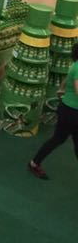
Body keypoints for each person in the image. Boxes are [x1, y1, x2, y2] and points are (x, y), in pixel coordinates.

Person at [28, 41, 78, 179]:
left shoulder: (75, 66)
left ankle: (34, 163)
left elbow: (65, 82)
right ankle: (34, 163)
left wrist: (61, 90)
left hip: (71, 110)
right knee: (58, 139)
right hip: (71, 113)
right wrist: (63, 92)